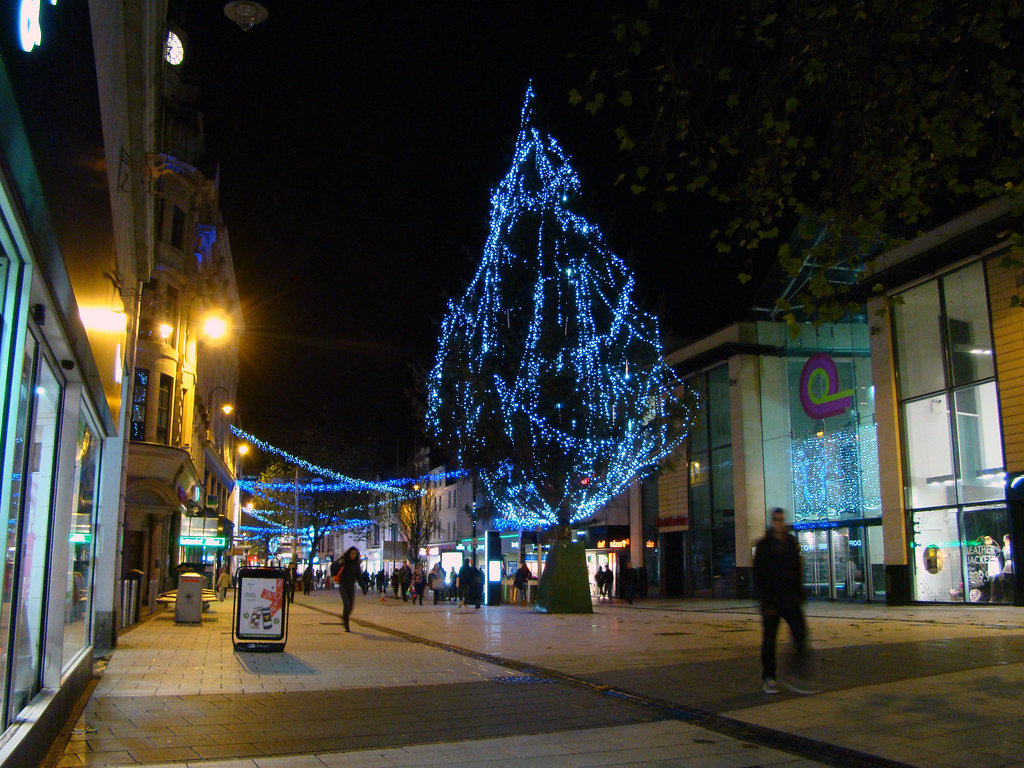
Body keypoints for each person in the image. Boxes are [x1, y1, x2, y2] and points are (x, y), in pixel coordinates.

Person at [753, 507, 809, 694]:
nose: (779, 523)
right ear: (772, 522)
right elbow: (758, 575)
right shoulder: (764, 546)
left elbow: (796, 570)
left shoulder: (790, 543)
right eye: (776, 519)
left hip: (790, 599)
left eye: (782, 519)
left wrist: (799, 594)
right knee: (769, 641)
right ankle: (769, 677)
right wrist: (764, 601)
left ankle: (796, 672)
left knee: (800, 634)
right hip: (772, 602)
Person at [334, 547, 362, 632]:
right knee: (346, 604)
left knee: (351, 607)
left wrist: (363, 587)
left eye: (355, 554)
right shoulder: (344, 561)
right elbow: (334, 566)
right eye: (352, 553)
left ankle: (345, 617)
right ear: (349, 553)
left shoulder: (356, 564)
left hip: (351, 586)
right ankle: (346, 625)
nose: (353, 555)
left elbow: (359, 576)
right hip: (343, 586)